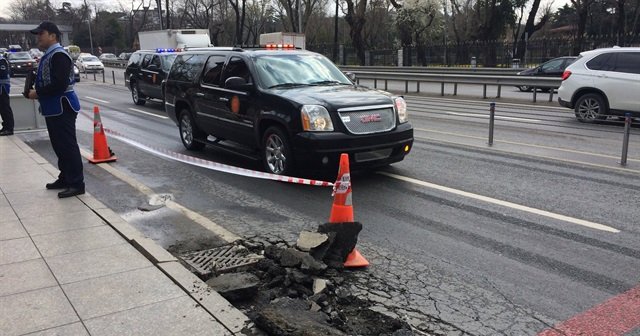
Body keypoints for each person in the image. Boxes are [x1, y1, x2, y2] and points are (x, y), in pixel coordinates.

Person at [27, 21, 85, 198]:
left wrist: (37, 93)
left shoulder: (59, 55)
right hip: (53, 107)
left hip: (62, 106)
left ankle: (76, 183)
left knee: (67, 145)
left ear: (52, 36)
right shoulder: (49, 55)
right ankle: (65, 177)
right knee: (59, 145)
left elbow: (59, 84)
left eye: (41, 34)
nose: (38, 38)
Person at [0, 52, 14, 136]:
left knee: (5, 108)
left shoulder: (1, 60)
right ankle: (5, 127)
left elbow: (2, 73)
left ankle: (9, 128)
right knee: (2, 108)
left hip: (2, 88)